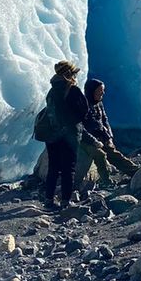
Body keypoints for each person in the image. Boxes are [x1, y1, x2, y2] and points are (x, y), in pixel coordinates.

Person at [44, 60, 88, 208]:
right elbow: (84, 111)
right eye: (74, 73)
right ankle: (65, 201)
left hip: (52, 134)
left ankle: (48, 199)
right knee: (68, 168)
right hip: (69, 135)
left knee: (53, 167)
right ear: (69, 74)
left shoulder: (52, 90)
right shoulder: (72, 90)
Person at [80, 78, 138, 186]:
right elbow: (79, 128)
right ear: (91, 91)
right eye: (99, 91)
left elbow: (104, 120)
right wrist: (93, 141)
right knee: (100, 154)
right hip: (85, 140)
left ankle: (135, 171)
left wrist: (109, 137)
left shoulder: (98, 103)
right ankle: (106, 181)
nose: (103, 93)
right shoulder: (82, 105)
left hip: (98, 137)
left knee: (113, 153)